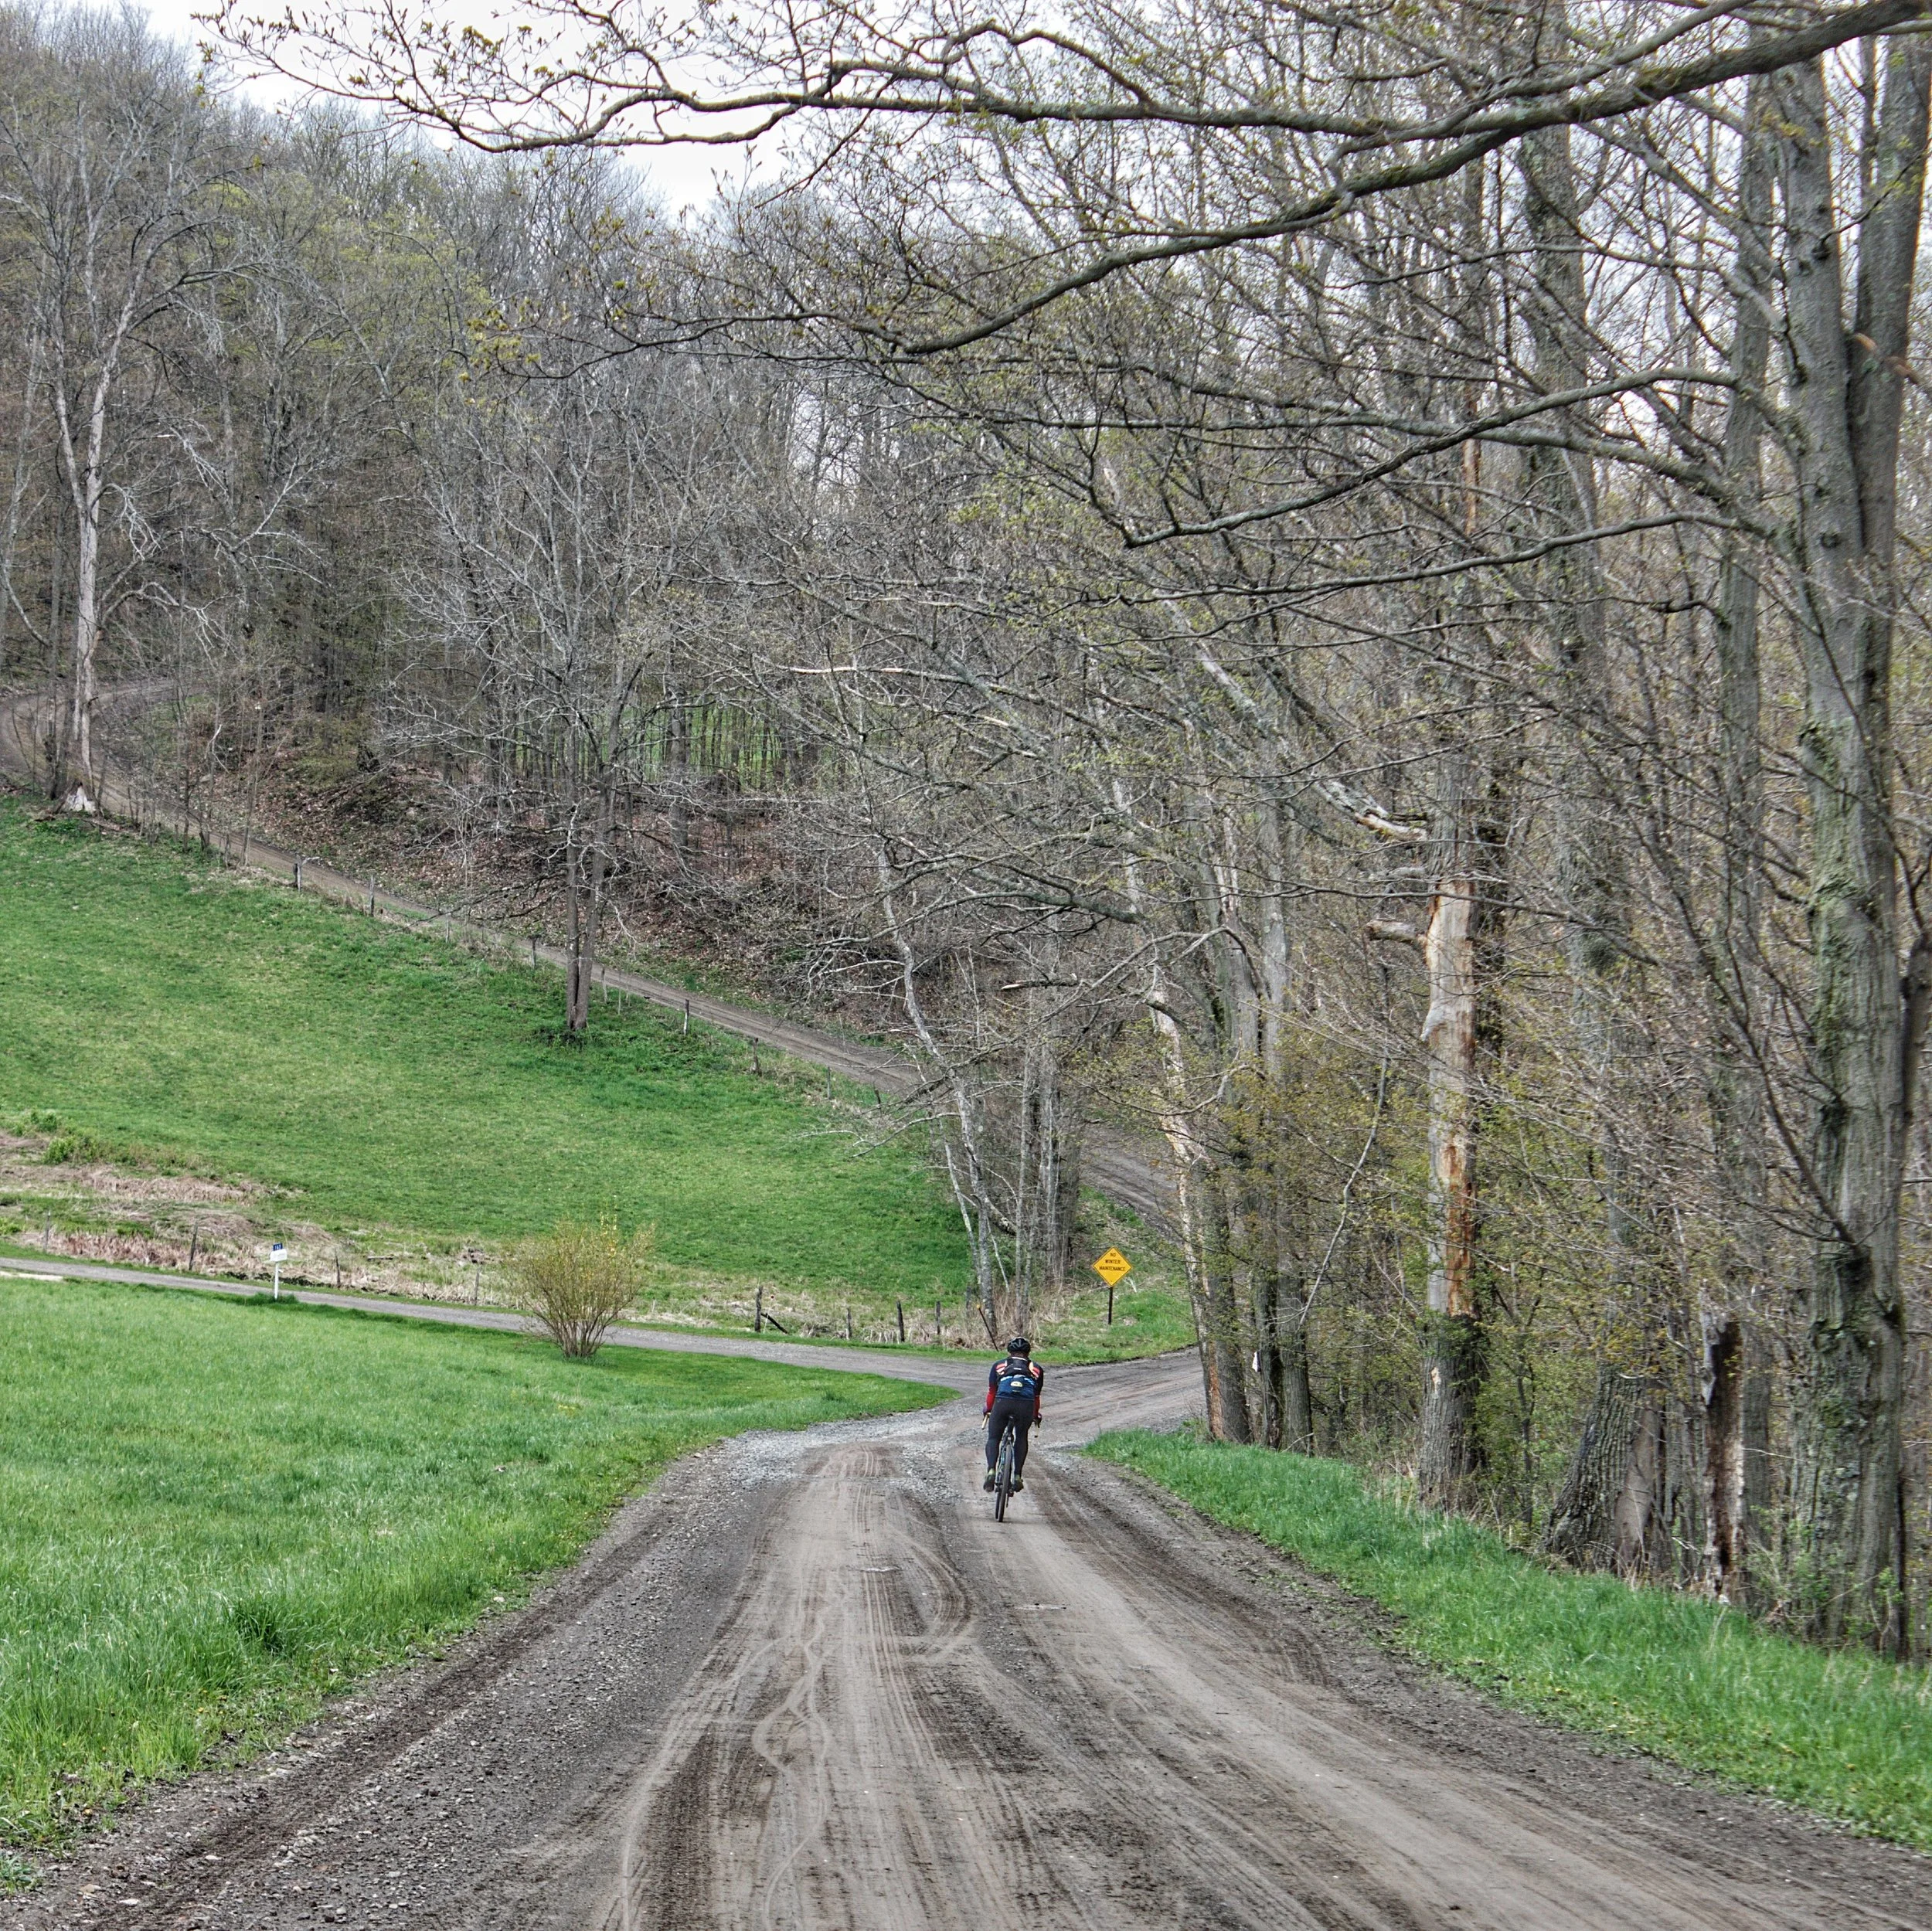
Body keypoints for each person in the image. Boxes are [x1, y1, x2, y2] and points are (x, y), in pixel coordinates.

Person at [983, 1337, 1044, 1492]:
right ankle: (1017, 1475)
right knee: (1021, 1436)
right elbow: (1036, 1397)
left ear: (1009, 1352)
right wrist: (1035, 1415)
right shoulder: (1036, 1369)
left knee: (994, 1437)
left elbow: (992, 1392)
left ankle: (991, 1470)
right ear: (1028, 1353)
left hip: (1003, 1403)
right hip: (1025, 1405)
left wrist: (988, 1409)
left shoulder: (999, 1366)